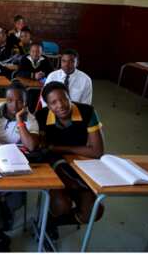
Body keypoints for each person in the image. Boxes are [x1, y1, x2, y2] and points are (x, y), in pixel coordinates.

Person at [35, 81, 105, 238]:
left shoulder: (87, 111)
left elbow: (97, 151)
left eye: (64, 99)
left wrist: (59, 148)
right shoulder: (41, 116)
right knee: (62, 205)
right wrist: (54, 149)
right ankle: (51, 216)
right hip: (53, 164)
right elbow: (42, 148)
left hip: (80, 164)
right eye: (53, 102)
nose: (60, 105)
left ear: (69, 97)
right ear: (48, 105)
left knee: (93, 212)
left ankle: (51, 222)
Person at [0, 81, 40, 250]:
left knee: (16, 201)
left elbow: (31, 146)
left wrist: (19, 121)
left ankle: (5, 210)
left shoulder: (30, 118)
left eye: (19, 101)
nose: (14, 105)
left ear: (25, 103)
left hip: (16, 161)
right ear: (4, 100)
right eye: (9, 100)